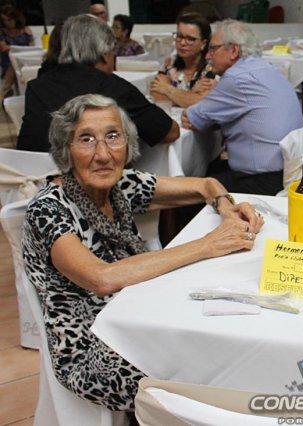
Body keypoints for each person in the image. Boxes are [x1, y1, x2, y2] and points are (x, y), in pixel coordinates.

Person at [22, 94, 264, 412]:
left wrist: (225, 206)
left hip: (140, 315)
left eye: (113, 136)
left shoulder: (120, 186)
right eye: (86, 139)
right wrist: (208, 244)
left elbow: (205, 184)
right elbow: (102, 278)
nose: (102, 154)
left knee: (231, 332)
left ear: (127, 143)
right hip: (92, 349)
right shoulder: (48, 209)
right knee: (208, 363)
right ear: (65, 148)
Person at [17, 14, 179, 153]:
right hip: (95, 177)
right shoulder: (113, 87)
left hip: (38, 176)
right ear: (104, 53)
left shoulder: (37, 87)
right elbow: (170, 132)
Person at [182, 19, 303, 196]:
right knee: (209, 169)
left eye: (213, 49)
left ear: (234, 50)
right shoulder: (267, 67)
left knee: (186, 191)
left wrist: (167, 90)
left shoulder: (236, 78)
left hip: (260, 181)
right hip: (287, 172)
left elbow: (192, 118)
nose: (207, 56)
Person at [150, 12, 215, 108]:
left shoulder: (212, 67)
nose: (183, 43)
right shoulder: (170, 63)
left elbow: (202, 103)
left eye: (190, 39)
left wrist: (167, 89)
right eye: (179, 36)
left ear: (203, 43)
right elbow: (156, 94)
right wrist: (190, 96)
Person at [0, 4, 34, 98]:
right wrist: (19, 48)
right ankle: (5, 92)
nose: (7, 22)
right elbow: (3, 48)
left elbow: (32, 48)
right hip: (8, 62)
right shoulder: (2, 32)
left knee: (18, 66)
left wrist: (15, 48)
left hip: (24, 61)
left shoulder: (26, 30)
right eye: (4, 20)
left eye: (9, 20)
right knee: (13, 65)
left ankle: (4, 92)